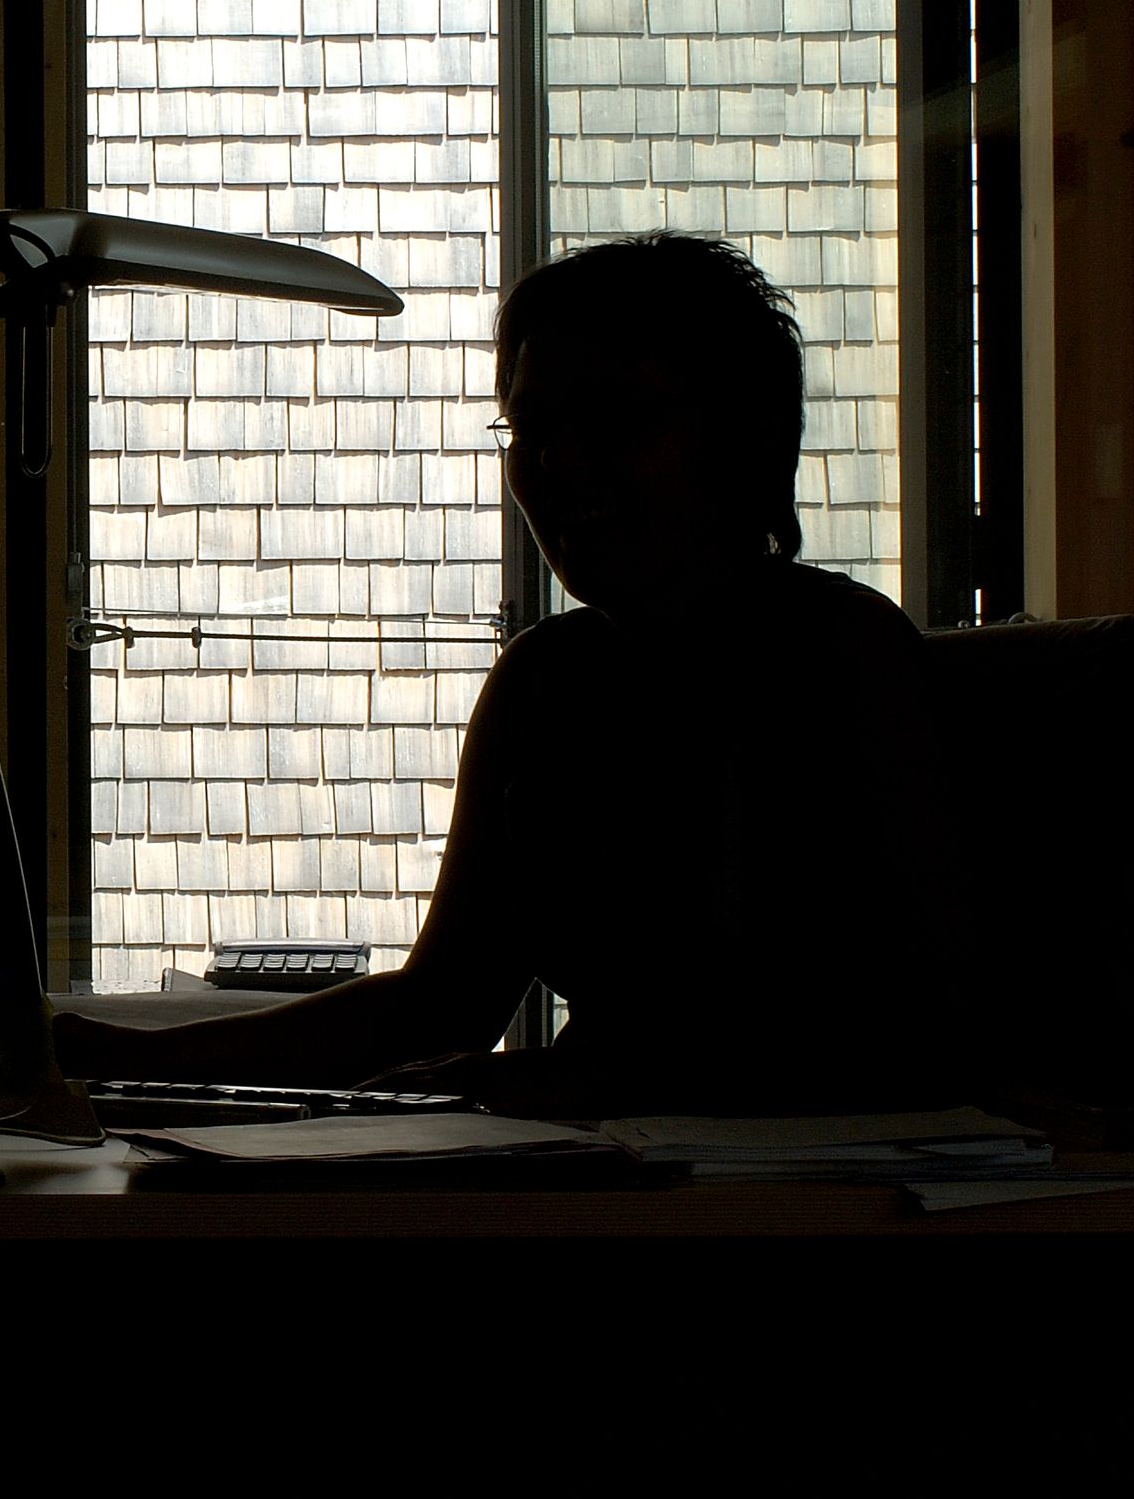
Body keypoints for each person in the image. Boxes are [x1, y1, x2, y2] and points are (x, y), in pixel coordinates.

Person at [53, 229, 947, 1113]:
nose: (558, 462)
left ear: (744, 438)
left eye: (613, 420)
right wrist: (117, 1057)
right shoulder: (547, 682)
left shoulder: (847, 663)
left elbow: (908, 1033)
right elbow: (442, 1002)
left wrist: (561, 1084)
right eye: (530, 427)